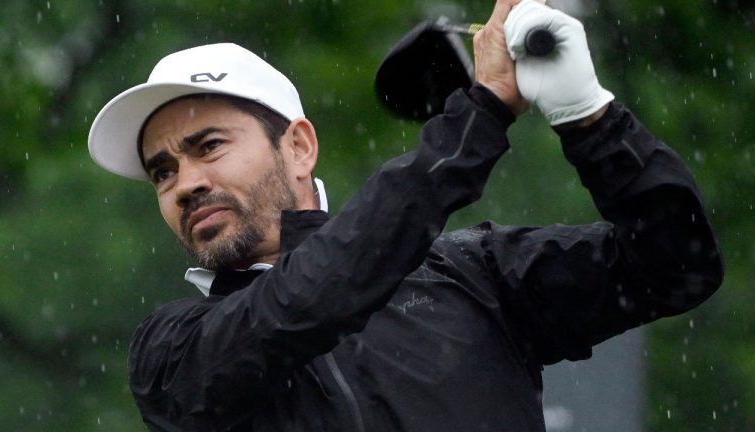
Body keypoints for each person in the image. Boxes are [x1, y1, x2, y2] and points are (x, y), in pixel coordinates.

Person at [87, 0, 723, 430]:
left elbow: (676, 266)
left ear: (300, 146)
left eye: (209, 147)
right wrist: (478, 115)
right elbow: (312, 296)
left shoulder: (473, 272)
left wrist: (589, 115)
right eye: (163, 171)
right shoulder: (170, 350)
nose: (185, 184)